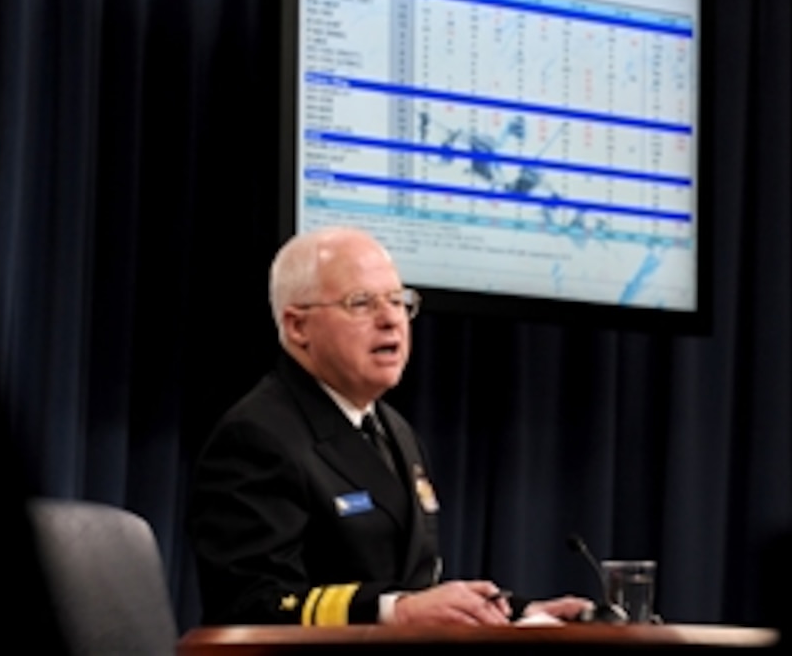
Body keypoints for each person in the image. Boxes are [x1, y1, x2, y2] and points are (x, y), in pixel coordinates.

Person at [188, 225, 590, 626]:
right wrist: (394, 610)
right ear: (298, 327)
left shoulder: (392, 429)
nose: (391, 320)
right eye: (361, 303)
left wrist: (518, 613)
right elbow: (251, 604)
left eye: (398, 301)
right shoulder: (258, 436)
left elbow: (411, 585)